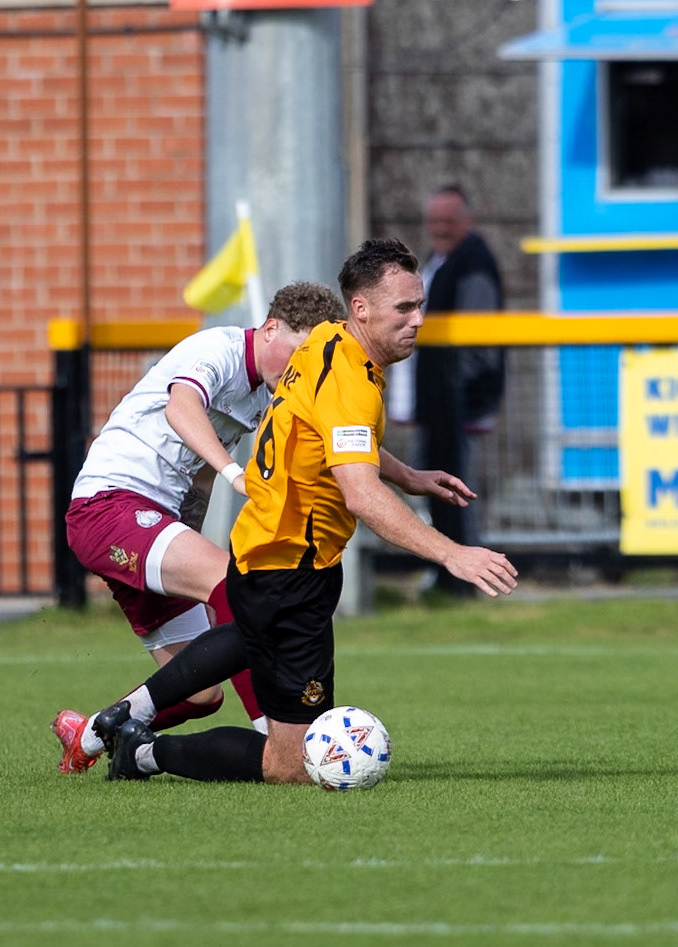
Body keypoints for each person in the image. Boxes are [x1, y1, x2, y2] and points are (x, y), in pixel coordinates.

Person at [89, 237, 517, 784]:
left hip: (259, 550)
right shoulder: (350, 380)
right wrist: (452, 553)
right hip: (293, 571)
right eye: (404, 308)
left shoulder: (324, 345)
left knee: (247, 631)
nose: (418, 320)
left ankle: (131, 712)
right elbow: (359, 495)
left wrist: (408, 475)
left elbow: (331, 435)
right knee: (290, 764)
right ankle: (142, 753)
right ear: (360, 308)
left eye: (421, 305)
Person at [51, 281, 343, 774]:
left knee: (202, 695)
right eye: (296, 354)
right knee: (237, 585)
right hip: (108, 506)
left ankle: (91, 736)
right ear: (270, 328)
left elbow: (198, 474)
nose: (298, 370)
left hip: (152, 525)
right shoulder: (219, 349)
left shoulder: (266, 392)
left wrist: (187, 539)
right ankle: (272, 736)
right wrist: (237, 476)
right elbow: (181, 409)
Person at [413, 186, 506, 593]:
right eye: (433, 221)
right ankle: (446, 574)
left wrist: (460, 387)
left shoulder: (474, 264)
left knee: (460, 488)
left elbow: (478, 340)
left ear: (466, 221)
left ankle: (469, 579)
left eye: (447, 221)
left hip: (462, 400)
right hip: (438, 400)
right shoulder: (438, 260)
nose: (438, 229)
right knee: (439, 484)